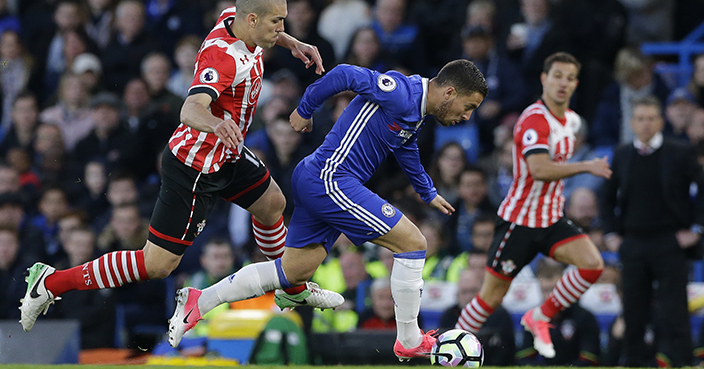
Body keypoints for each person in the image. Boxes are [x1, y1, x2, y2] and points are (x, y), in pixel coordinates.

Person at [19, 0, 342, 334]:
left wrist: (294, 43)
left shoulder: (237, 19)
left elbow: (260, 20)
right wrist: (216, 124)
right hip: (195, 166)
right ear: (252, 19)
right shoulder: (224, 58)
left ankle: (291, 290)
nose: (281, 28)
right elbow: (190, 108)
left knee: (273, 203)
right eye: (277, 22)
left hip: (228, 154)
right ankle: (51, 283)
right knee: (157, 264)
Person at [166, 58, 489, 360]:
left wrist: (427, 191)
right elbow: (344, 74)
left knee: (292, 273)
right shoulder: (401, 91)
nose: (467, 116)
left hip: (321, 179)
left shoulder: (414, 111)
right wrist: (305, 109)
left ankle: (200, 300)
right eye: (469, 106)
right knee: (414, 243)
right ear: (449, 92)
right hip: (330, 179)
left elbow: (405, 146)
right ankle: (408, 340)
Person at [454, 52, 611, 360]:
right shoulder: (534, 120)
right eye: (557, 76)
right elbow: (538, 168)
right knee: (489, 298)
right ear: (544, 79)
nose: (562, 83)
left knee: (592, 264)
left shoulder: (572, 120)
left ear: (575, 84)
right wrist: (585, 167)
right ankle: (450, 351)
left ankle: (540, 316)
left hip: (551, 220)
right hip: (520, 223)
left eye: (569, 78)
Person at [600, 96, 703, 367]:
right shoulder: (622, 153)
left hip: (670, 242)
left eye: (651, 118)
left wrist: (696, 228)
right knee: (633, 312)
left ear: (661, 121)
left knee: (675, 311)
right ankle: (633, 363)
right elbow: (606, 196)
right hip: (632, 243)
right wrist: (611, 234)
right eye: (641, 119)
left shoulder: (679, 152)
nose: (646, 124)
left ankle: (684, 363)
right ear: (632, 123)